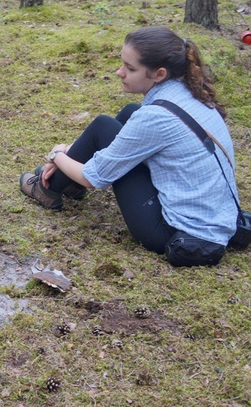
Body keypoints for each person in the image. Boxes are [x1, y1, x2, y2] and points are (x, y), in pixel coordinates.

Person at [19, 26, 238, 267]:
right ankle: (67, 183)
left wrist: (57, 154)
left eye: (130, 68)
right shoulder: (187, 91)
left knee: (103, 125)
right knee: (129, 112)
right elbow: (128, 139)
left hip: (172, 232)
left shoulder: (155, 118)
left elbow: (94, 178)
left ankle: (47, 190)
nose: (119, 72)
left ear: (159, 73)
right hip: (214, 215)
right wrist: (70, 153)